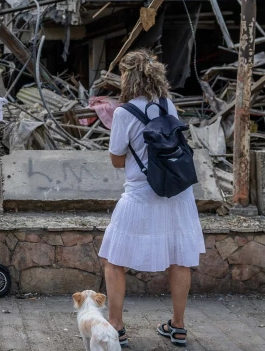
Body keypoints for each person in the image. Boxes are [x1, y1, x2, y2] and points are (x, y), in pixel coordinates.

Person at [98, 50, 204, 348]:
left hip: (141, 195)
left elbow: (117, 161)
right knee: (180, 260)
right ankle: (178, 326)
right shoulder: (167, 104)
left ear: (127, 77)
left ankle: (117, 326)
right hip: (178, 194)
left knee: (113, 260)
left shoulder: (123, 112)